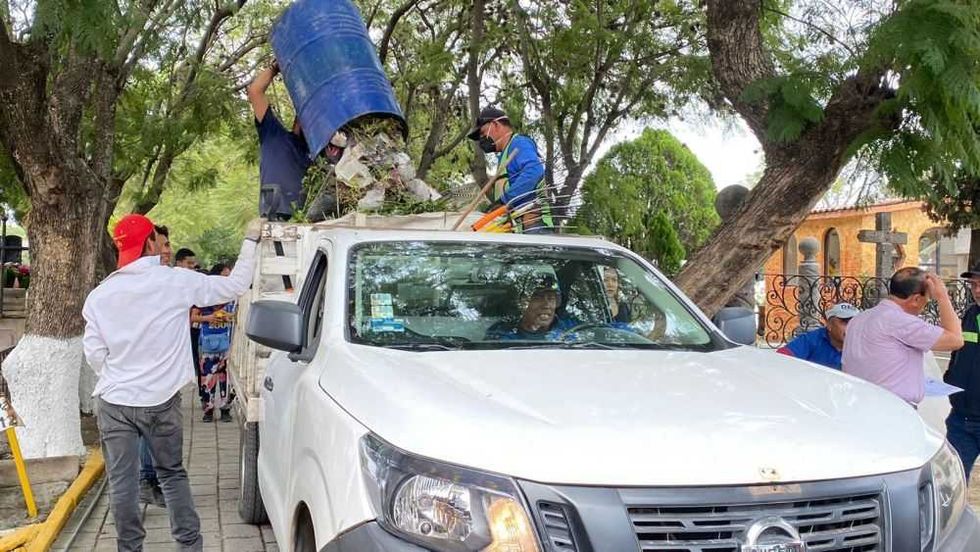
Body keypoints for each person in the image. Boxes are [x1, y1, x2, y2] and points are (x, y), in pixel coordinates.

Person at [83, 214, 259, 552]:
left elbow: (95, 354)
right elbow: (236, 286)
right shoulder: (176, 281)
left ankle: (129, 549)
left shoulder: (100, 295)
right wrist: (250, 241)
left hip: (115, 401)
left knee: (122, 484)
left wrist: (122, 375)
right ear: (150, 242)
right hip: (161, 402)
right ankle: (189, 546)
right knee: (172, 474)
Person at [842, 267, 964, 406]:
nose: (925, 305)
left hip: (859, 402)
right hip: (891, 408)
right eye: (927, 299)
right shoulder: (901, 321)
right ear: (916, 299)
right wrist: (942, 297)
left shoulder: (860, 318)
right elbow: (956, 340)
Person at [467, 107, 554, 233]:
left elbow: (534, 171)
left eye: (483, 133)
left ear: (495, 124)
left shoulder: (519, 143)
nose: (482, 139)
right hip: (518, 228)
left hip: (533, 226)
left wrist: (504, 200)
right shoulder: (504, 155)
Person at [247, 61, 313, 221]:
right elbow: (255, 91)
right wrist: (275, 67)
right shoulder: (273, 134)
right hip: (273, 216)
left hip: (303, 222)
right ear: (297, 119)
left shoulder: (314, 156)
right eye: (303, 116)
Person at [944, 264, 980, 478]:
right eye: (974, 284)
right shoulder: (970, 314)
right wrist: (951, 378)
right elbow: (958, 354)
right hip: (961, 420)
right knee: (951, 484)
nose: (976, 290)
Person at [192, 264, 237, 423]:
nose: (228, 279)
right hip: (207, 345)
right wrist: (209, 318)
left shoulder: (233, 296)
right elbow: (193, 317)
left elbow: (237, 315)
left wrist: (229, 316)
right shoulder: (204, 297)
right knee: (208, 378)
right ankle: (208, 409)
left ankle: (226, 409)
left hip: (228, 345)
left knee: (227, 379)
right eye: (225, 276)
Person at [777, 303, 858, 370]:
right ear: (829, 325)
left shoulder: (863, 344)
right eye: (844, 322)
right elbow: (781, 358)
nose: (851, 327)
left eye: (854, 322)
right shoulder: (813, 339)